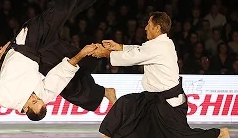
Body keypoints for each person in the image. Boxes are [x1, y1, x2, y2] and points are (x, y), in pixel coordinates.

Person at [0, 0, 116, 122]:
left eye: (34, 101)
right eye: (39, 100)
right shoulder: (44, 97)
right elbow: (61, 75)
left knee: (59, 13)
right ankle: (105, 92)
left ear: (26, 108)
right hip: (40, 55)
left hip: (27, 43)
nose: (36, 97)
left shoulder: (5, 98)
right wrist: (82, 53)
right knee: (73, 81)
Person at [90, 12, 230, 138]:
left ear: (157, 28)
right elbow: (140, 50)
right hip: (151, 99)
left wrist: (105, 53)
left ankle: (219, 133)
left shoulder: (159, 46)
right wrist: (120, 47)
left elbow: (133, 57)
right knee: (125, 104)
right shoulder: (159, 43)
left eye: (148, 24)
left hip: (168, 104)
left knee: (182, 136)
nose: (145, 28)